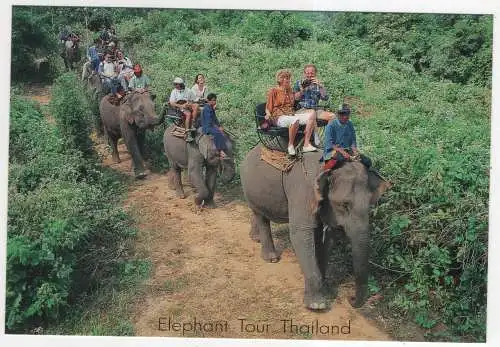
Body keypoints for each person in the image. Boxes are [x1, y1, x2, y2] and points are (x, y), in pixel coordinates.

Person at [265, 69, 318, 156]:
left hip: (291, 114)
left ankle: (306, 144)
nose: (288, 80)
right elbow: (268, 107)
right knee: (295, 120)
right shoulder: (273, 91)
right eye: (286, 78)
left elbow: (295, 98)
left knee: (311, 115)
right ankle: (290, 145)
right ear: (281, 80)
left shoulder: (289, 90)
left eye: (289, 78)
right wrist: (268, 115)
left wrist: (302, 89)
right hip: (279, 117)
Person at [320, 104, 372, 170]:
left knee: (368, 161)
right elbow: (329, 144)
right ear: (337, 114)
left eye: (347, 114)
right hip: (333, 151)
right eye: (342, 114)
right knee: (338, 158)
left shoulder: (350, 124)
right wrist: (342, 151)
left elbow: (353, 140)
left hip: (348, 150)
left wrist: (354, 150)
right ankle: (324, 169)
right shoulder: (331, 126)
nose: (345, 116)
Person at [169, 77, 199, 142]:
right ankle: (188, 133)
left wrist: (189, 104)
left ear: (181, 84)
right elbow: (172, 103)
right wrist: (181, 106)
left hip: (187, 104)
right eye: (175, 84)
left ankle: (193, 124)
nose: (175, 86)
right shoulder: (174, 91)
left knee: (196, 106)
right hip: (179, 106)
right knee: (188, 114)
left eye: (177, 84)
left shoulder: (188, 90)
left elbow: (194, 100)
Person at [201, 93, 229, 159]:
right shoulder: (206, 109)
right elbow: (209, 121)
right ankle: (221, 151)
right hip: (207, 128)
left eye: (215, 100)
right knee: (217, 133)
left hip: (212, 126)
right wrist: (217, 128)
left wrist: (220, 126)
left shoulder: (211, 108)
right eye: (213, 100)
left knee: (223, 133)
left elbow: (215, 119)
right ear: (208, 100)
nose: (214, 102)